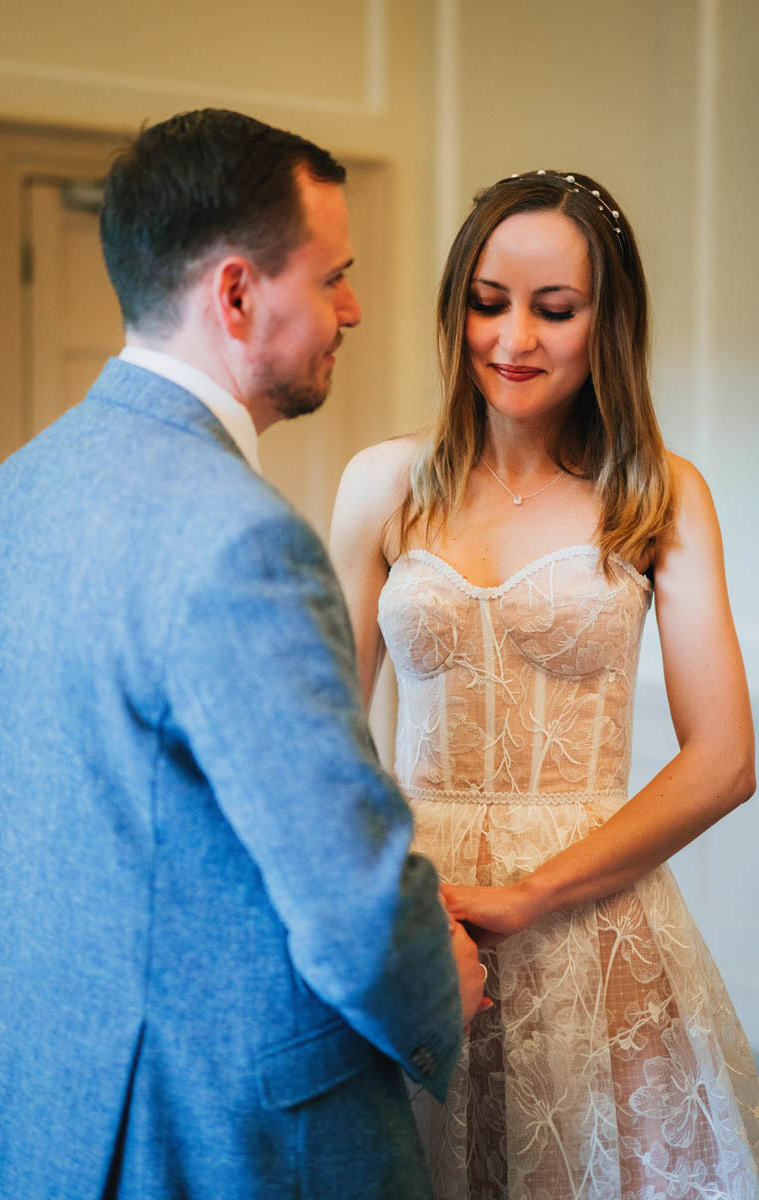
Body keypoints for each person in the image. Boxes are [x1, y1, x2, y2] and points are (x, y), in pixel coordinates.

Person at [0, 109, 489, 1200]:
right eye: (332, 275)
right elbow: (347, 897)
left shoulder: (14, 491)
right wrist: (445, 999)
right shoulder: (239, 537)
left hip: (47, 1119)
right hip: (219, 1142)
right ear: (238, 294)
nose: (354, 307)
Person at [330, 169, 759, 1199]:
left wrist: (528, 895)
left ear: (604, 320)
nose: (511, 339)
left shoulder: (656, 491)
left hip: (593, 927)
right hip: (418, 921)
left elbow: (725, 759)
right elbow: (323, 740)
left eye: (552, 310)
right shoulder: (382, 483)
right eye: (486, 303)